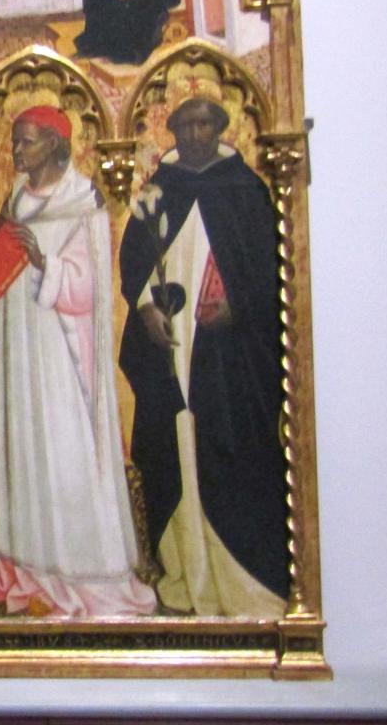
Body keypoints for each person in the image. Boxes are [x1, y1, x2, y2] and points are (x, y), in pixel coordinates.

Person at [0, 106, 154, 617]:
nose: (16, 151)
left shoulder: (83, 200)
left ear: (53, 143)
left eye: (26, 142)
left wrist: (44, 262)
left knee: (60, 448)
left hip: (59, 356)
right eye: (14, 141)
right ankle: (28, 572)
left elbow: (91, 287)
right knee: (22, 444)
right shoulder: (15, 197)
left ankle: (78, 572)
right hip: (16, 346)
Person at [119, 95, 288, 617]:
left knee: (231, 453)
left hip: (230, 357)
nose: (194, 135)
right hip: (170, 349)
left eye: (203, 125)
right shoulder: (158, 191)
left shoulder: (247, 191)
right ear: (173, 131)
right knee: (174, 451)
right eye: (185, 126)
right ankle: (184, 574)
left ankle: (243, 584)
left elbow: (272, 268)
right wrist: (146, 307)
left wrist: (239, 306)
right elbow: (134, 260)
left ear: (219, 128)